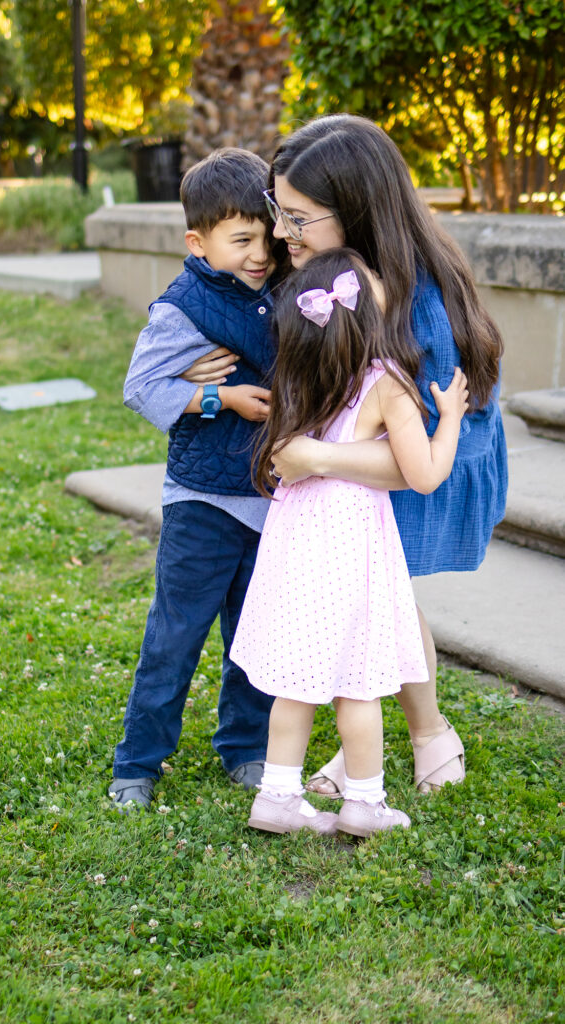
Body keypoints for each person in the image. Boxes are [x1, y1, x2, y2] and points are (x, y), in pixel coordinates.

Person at [187, 114, 507, 797]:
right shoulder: (338, 278)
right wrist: (183, 369)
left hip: (443, 456)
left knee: (383, 594)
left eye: (298, 218)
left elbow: (418, 466)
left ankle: (425, 737)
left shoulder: (418, 306)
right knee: (375, 595)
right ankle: (405, 738)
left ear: (356, 212)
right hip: (372, 455)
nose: (279, 233)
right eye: (279, 210)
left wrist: (313, 460)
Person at [230, 248, 469, 836]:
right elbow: (424, 474)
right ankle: (364, 802)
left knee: (296, 681)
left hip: (295, 543)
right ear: (368, 312)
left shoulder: (295, 373)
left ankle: (279, 795)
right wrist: (452, 418)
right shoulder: (387, 380)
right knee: (356, 686)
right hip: (351, 547)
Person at [110, 148, 279, 810]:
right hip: (203, 503)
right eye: (241, 240)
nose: (259, 253)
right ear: (199, 242)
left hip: (268, 499)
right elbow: (140, 386)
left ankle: (245, 748)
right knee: (174, 636)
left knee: (254, 636)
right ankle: (139, 762)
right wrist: (220, 400)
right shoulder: (183, 307)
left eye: (266, 235)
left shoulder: (285, 290)